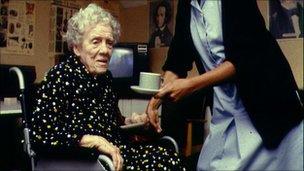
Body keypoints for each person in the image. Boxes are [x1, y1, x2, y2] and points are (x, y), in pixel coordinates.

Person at [146, 0, 304, 170]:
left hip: (268, 102)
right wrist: (155, 100)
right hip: (225, 108)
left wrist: (191, 85)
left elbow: (245, 57)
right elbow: (177, 61)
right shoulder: (186, 4)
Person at [30, 4, 185, 171]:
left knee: (168, 156)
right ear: (76, 47)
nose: (105, 50)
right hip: (83, 159)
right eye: (96, 42)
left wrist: (131, 122)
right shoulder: (59, 76)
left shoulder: (105, 79)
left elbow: (110, 123)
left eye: (109, 43)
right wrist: (93, 141)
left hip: (114, 153)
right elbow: (41, 136)